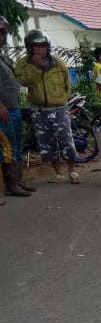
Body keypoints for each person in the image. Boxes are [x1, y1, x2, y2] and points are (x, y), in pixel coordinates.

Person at [15, 29, 82, 184]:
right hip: (39, 110)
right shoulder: (23, 64)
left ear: (48, 47)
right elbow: (25, 81)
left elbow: (67, 84)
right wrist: (35, 67)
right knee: (47, 142)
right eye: (36, 47)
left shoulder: (58, 63)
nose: (40, 50)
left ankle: (72, 171)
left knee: (66, 140)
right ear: (29, 48)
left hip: (59, 109)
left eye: (43, 47)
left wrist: (62, 99)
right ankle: (58, 173)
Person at [1, 15, 36, 202]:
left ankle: (18, 180)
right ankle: (11, 185)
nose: (1, 35)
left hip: (13, 107)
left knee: (17, 146)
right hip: (3, 111)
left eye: (2, 31)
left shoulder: (3, 56)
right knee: (7, 148)